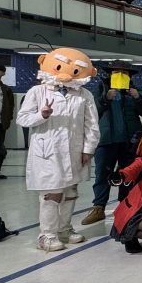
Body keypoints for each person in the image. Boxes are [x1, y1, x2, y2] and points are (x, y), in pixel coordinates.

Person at [16, 47, 100, 252]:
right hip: (47, 152)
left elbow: (92, 124)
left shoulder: (84, 95)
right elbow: (22, 119)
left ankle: (64, 229)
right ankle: (47, 234)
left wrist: (88, 148)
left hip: (75, 150)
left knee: (70, 190)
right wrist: (42, 115)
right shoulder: (37, 91)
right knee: (51, 193)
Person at [81, 60, 142, 225]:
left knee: (129, 174)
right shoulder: (101, 88)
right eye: (116, 72)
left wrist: (138, 98)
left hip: (130, 139)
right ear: (110, 74)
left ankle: (126, 205)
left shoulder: (137, 89)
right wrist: (106, 98)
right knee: (102, 174)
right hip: (106, 139)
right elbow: (93, 112)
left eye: (124, 73)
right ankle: (99, 207)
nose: (120, 75)